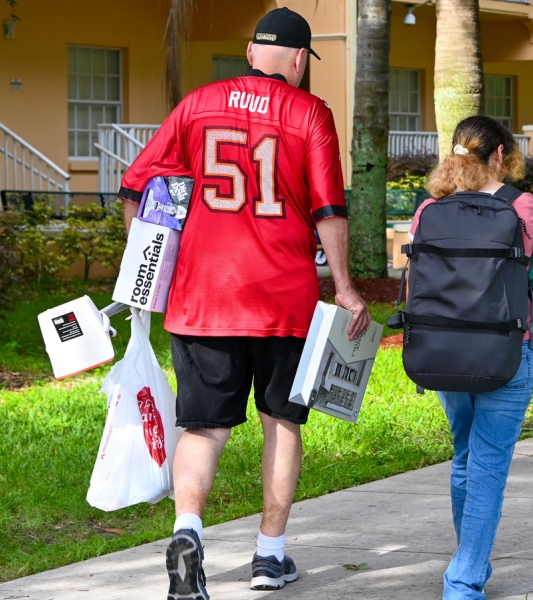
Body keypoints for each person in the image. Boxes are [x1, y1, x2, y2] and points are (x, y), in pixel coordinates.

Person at [117, 8, 371, 599]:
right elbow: (331, 210)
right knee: (281, 422)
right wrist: (347, 288)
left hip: (201, 298)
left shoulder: (196, 104)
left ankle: (187, 534)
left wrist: (149, 262)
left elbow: (135, 189)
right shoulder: (310, 113)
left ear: (253, 53)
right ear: (301, 61)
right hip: (283, 301)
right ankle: (269, 556)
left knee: (202, 428)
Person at [410, 116, 533, 599]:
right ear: (499, 156)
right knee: (489, 466)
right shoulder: (520, 205)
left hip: (443, 351)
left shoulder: (430, 208)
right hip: (509, 354)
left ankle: (467, 559)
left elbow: (416, 283)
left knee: (465, 458)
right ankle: (463, 581)